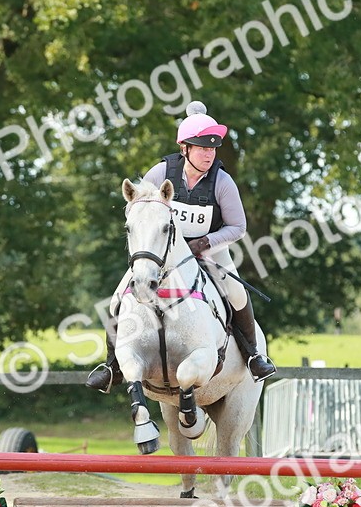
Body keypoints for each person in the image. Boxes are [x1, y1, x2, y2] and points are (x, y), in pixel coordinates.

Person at [86, 101, 277, 392]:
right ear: (185, 148)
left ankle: (253, 356)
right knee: (116, 300)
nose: (208, 154)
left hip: (209, 250)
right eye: (202, 148)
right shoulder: (160, 173)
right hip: (162, 255)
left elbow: (238, 227)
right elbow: (138, 209)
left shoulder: (222, 182)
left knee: (237, 293)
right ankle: (112, 365)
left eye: (212, 149)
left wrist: (206, 241)